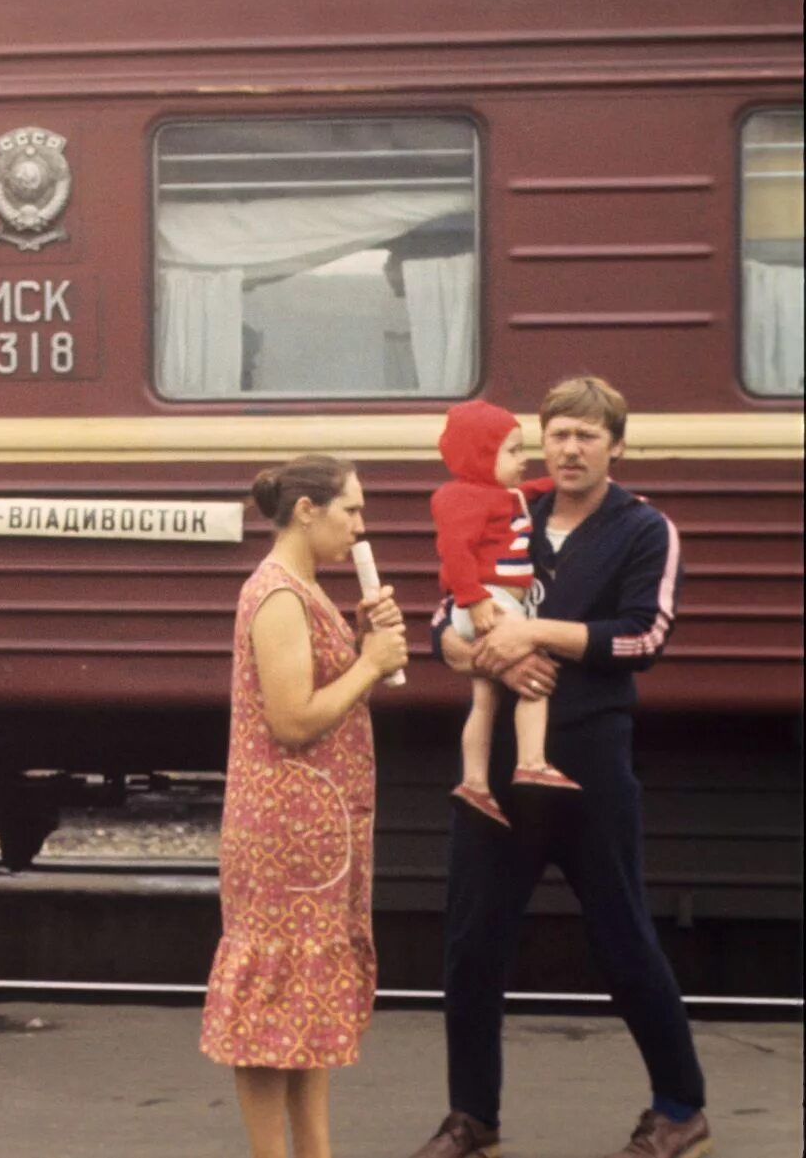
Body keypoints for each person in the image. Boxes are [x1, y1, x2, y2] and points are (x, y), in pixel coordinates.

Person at [412, 377, 710, 1158]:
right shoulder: (508, 506)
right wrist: (493, 657)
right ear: (540, 441)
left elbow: (646, 636)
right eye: (557, 434)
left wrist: (534, 634)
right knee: (472, 942)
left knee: (621, 937)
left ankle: (680, 1108)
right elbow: (446, 615)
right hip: (497, 771)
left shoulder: (645, 529)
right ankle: (472, 1117)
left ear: (616, 443)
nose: (570, 449)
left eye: (587, 435)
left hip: (589, 762)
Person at [201, 454, 408, 1158]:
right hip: (285, 838)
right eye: (350, 509)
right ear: (305, 511)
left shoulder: (308, 590)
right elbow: (293, 718)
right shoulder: (280, 594)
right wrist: (372, 662)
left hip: (313, 835)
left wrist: (356, 635)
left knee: (305, 1001)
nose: (360, 525)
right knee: (270, 1006)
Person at [430, 399, 572, 826]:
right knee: (535, 677)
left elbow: (522, 495)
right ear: (480, 456)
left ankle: (475, 784)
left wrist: (555, 483)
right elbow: (453, 551)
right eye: (512, 451)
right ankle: (532, 761)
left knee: (485, 699)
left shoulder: (494, 494)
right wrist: (474, 600)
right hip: (490, 601)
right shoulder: (459, 498)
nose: (522, 460)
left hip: (490, 601)